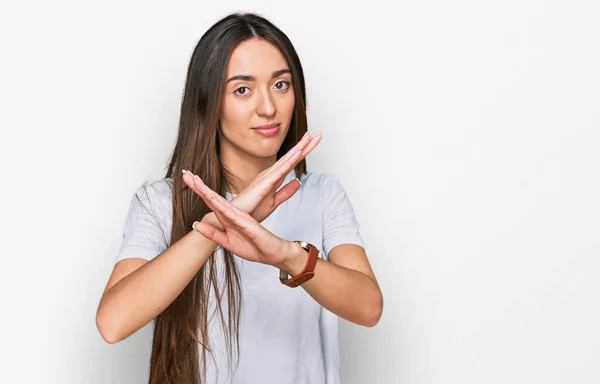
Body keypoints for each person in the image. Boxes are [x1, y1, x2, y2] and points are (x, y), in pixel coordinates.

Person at [96, 12, 383, 384]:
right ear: (208, 102)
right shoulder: (160, 202)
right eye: (242, 89)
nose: (268, 107)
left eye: (281, 84)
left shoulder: (322, 194)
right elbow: (113, 323)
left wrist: (285, 254)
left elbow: (369, 307)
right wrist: (216, 225)